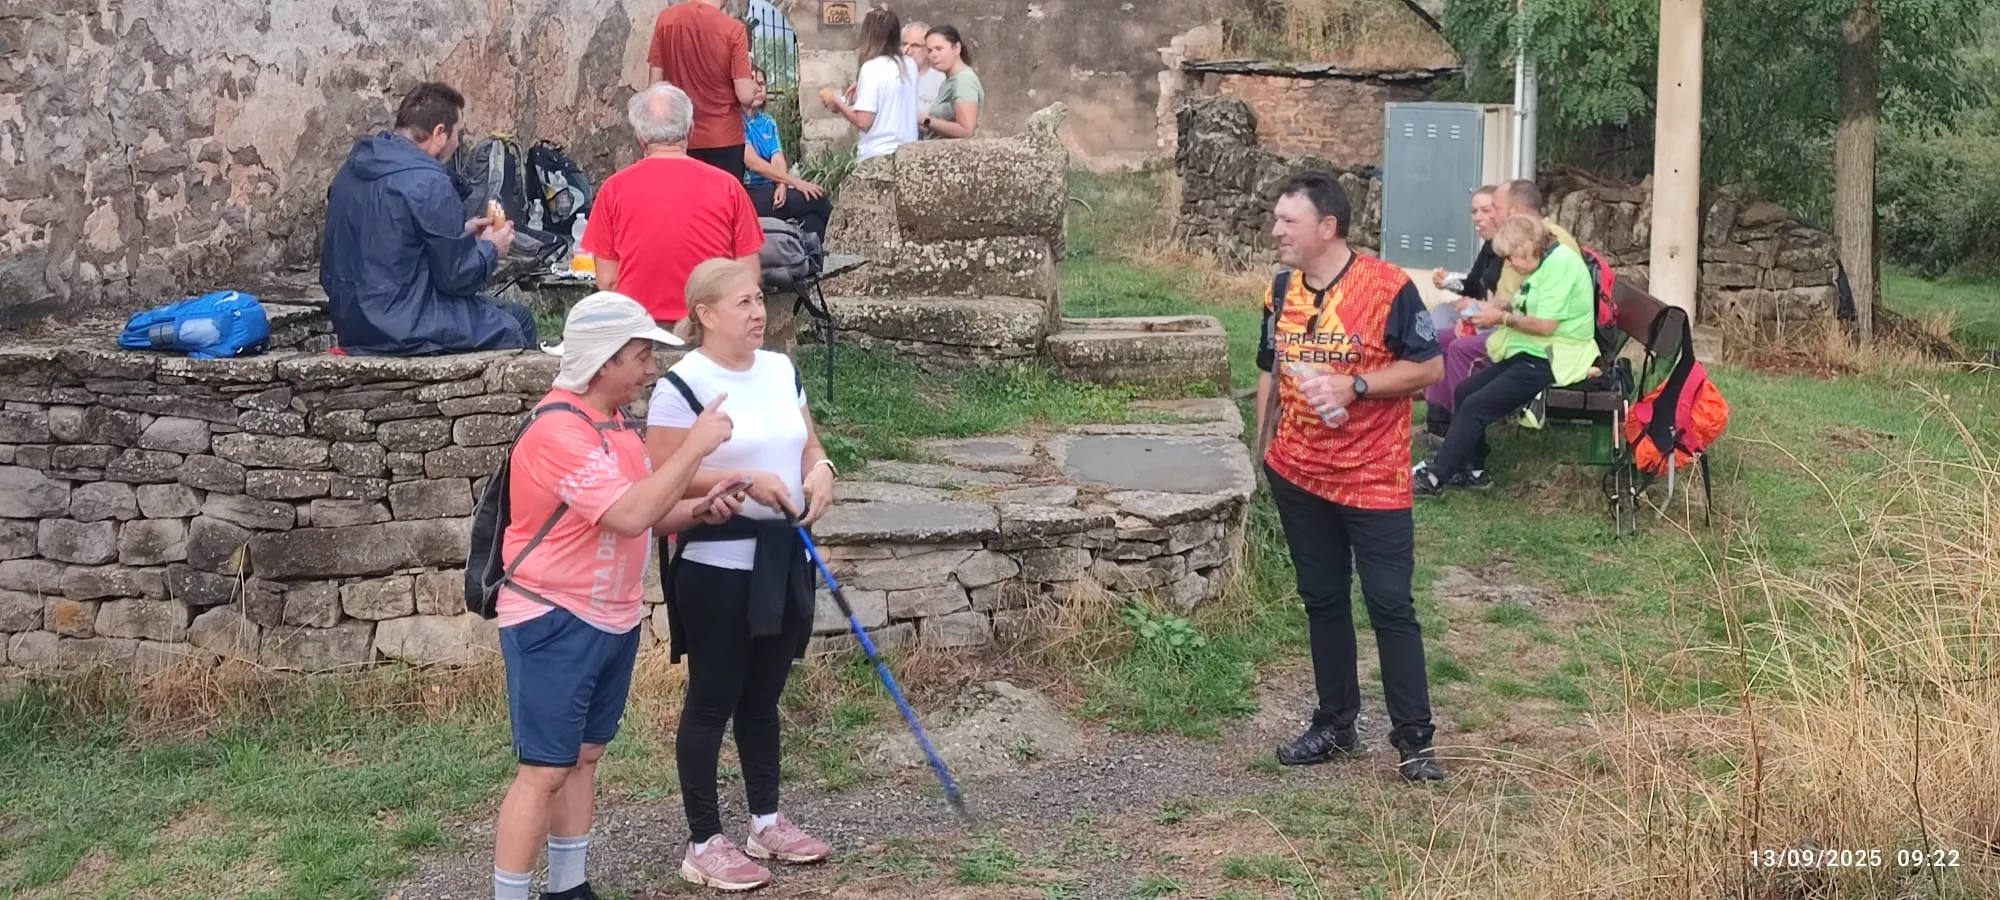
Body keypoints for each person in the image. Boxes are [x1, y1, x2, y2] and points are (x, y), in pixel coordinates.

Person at [489, 290, 743, 900]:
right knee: (545, 768)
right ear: (604, 362)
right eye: (640, 356)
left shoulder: (614, 428)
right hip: (554, 616)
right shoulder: (558, 432)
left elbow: (645, 513)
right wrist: (694, 448)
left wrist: (698, 511)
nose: (651, 369)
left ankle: (570, 888)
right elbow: (629, 514)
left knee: (584, 756)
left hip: (611, 617)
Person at [646, 258, 840, 891]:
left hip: (783, 555)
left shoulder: (782, 369)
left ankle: (766, 820)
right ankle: (704, 841)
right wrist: (741, 479)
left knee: (763, 698)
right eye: (743, 303)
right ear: (704, 314)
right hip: (717, 562)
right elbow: (662, 475)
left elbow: (805, 442)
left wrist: (822, 470)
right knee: (712, 701)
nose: (759, 313)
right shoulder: (683, 384)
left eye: (759, 300)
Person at [1255, 171, 1446, 783]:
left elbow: (1429, 370)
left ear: (1327, 227)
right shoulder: (1280, 291)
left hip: (1373, 479)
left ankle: (1415, 742)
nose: (1277, 229)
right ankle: (1336, 725)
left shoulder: (1388, 287)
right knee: (1323, 601)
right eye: (1277, 218)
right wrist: (1261, 452)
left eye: (1290, 220)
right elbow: (1270, 371)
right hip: (1298, 475)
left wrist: (1357, 384)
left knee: (1391, 604)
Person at [320, 82, 537, 356]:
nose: (459, 143)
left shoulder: (351, 170)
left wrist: (461, 233)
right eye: (458, 133)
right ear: (439, 133)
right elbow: (458, 278)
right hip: (403, 325)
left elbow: (389, 243)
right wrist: (492, 248)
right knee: (518, 323)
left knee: (510, 313)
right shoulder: (430, 182)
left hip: (353, 322)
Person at [1415, 214, 1598, 497]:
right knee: (1465, 391)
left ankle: (1436, 477)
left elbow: (1546, 325)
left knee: (1476, 405)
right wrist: (1487, 307)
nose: (1509, 264)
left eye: (1511, 258)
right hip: (1533, 351)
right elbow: (1526, 299)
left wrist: (1499, 318)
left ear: (1525, 248)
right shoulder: (1544, 260)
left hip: (1554, 357)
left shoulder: (1561, 264)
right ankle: (1473, 470)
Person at [580, 84, 764, 326]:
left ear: (640, 137)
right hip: (708, 328)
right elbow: (748, 275)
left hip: (638, 329)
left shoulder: (613, 190)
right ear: (690, 129)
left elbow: (608, 280)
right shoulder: (728, 187)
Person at [1420, 185, 1506, 445]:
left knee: (1451, 340)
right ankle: (1437, 418)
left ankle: (1447, 424)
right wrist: (1449, 282)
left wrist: (1470, 313)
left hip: (1502, 325)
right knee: (1440, 318)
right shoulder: (1490, 247)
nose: (1477, 218)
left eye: (1485, 210)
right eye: (1473, 211)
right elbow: (1472, 285)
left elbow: (1506, 303)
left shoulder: (1511, 251)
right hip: (1485, 318)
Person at [647, 0, 759, 180]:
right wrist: (753, 86)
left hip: (679, 136)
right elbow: (745, 95)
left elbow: (655, 87)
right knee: (721, 204)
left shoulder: (666, 20)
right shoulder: (733, 30)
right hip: (723, 138)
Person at [741, 68, 833, 241]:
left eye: (761, 83)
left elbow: (777, 157)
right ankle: (843, 242)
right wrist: (795, 183)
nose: (758, 88)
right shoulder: (736, 122)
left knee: (812, 222)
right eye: (753, 83)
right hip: (749, 192)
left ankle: (818, 262)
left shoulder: (768, 122)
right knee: (816, 197)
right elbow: (753, 162)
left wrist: (781, 185)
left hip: (772, 189)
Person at [821, 7, 919, 161]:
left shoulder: (871, 68)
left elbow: (863, 122)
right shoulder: (910, 65)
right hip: (909, 153)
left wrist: (837, 102)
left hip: (879, 154)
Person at [919, 26, 984, 140]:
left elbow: (966, 130)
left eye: (939, 49)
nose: (933, 55)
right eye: (930, 50)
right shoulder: (948, 81)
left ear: (956, 48)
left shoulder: (964, 80)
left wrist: (926, 121)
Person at [903, 21, 947, 110]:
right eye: (904, 44)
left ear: (928, 49)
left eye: (915, 46)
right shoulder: (889, 78)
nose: (909, 51)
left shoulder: (941, 82)